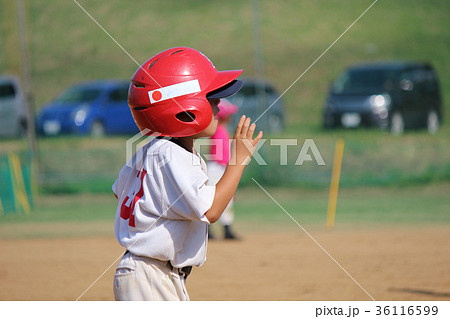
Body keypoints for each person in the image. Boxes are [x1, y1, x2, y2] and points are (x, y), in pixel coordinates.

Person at [112, 47, 263, 301]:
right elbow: (211, 210)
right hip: (151, 275)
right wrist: (239, 160)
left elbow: (120, 192)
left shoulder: (152, 151)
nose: (218, 106)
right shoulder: (170, 155)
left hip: (154, 274)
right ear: (182, 107)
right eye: (211, 98)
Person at [207, 99, 240, 240]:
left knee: (228, 198)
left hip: (222, 167)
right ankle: (208, 230)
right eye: (227, 114)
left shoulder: (223, 130)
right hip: (216, 166)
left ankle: (227, 228)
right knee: (213, 197)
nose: (230, 117)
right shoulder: (217, 129)